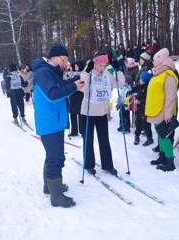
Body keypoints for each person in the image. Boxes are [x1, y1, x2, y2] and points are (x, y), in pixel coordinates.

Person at [32, 43, 84, 208]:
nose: (65, 63)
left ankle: (49, 187)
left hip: (54, 121)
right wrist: (74, 87)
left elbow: (59, 86)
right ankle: (56, 197)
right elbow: (53, 95)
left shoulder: (51, 71)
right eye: (63, 59)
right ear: (53, 57)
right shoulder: (44, 73)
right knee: (56, 158)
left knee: (52, 155)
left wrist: (74, 80)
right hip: (49, 122)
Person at [80, 52, 125, 175]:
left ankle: (108, 165)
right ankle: (89, 164)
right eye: (99, 65)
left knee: (104, 139)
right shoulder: (88, 74)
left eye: (104, 65)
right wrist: (87, 72)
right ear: (94, 64)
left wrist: (119, 70)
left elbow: (120, 84)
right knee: (88, 140)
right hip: (88, 112)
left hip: (102, 113)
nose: (102, 68)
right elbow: (82, 88)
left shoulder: (107, 76)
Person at [145, 48, 179, 172]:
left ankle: (170, 161)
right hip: (155, 110)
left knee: (164, 137)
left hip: (163, 112)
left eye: (155, 60)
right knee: (160, 136)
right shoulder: (158, 73)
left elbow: (171, 96)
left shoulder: (168, 75)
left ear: (163, 61)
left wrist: (168, 113)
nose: (153, 62)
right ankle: (163, 156)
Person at [132, 71, 153, 145]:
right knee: (138, 122)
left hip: (145, 108)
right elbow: (134, 90)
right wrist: (133, 93)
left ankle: (149, 138)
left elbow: (148, 99)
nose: (140, 80)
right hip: (139, 108)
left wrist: (140, 101)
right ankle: (137, 135)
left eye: (141, 80)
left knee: (145, 124)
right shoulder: (140, 85)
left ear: (145, 81)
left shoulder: (148, 88)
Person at [68, 60, 85, 137]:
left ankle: (82, 131)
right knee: (72, 113)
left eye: (77, 66)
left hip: (80, 94)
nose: (75, 67)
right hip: (72, 94)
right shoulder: (72, 74)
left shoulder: (83, 74)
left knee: (80, 113)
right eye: (75, 66)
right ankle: (74, 130)